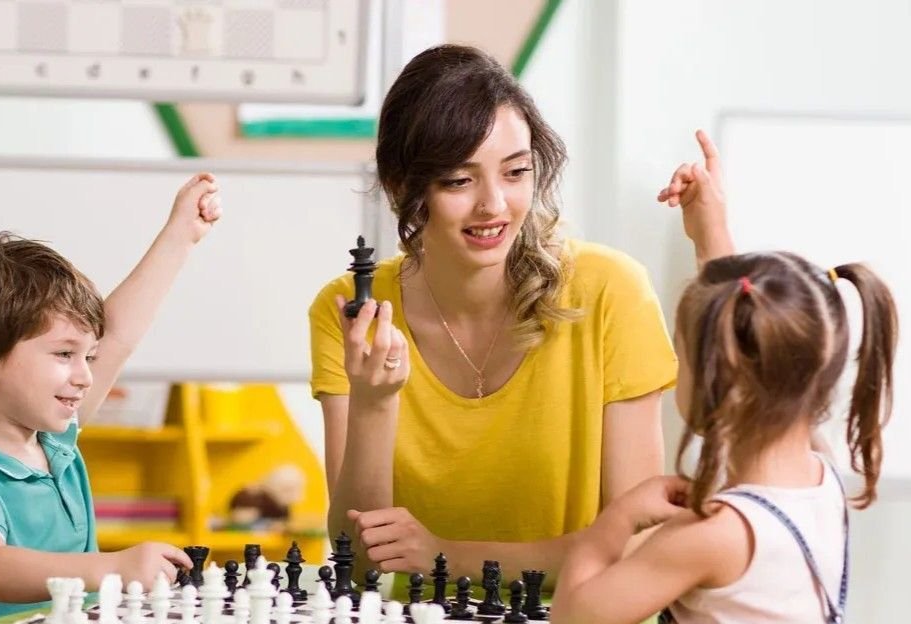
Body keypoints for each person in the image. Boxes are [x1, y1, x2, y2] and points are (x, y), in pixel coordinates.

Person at [309, 44, 726, 582]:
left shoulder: (610, 292)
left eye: (515, 172)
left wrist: (448, 556)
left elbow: (634, 543)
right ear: (403, 187)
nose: (494, 204)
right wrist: (373, 403)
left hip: (580, 622)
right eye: (459, 180)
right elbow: (360, 556)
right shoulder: (352, 311)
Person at [549, 243, 898, 624]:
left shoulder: (710, 535)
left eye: (682, 359)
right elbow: (764, 347)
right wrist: (710, 237)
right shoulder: (823, 476)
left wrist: (619, 517)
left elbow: (572, 623)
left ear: (717, 385)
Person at [0, 173, 223, 624]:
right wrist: (111, 567)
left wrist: (180, 236)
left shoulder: (54, 442)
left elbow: (117, 336)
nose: (85, 376)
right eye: (64, 354)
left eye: (88, 357)